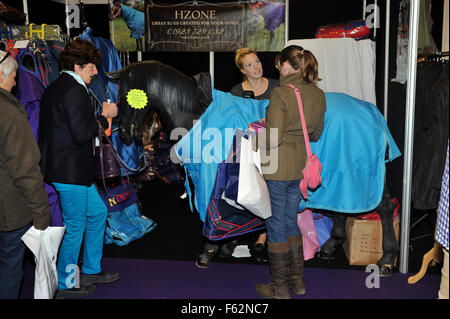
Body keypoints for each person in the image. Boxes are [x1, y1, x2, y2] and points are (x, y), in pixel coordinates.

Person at [38, 39, 119, 299]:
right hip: (70, 171)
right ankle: (66, 284)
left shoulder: (55, 87)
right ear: (77, 66)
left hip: (69, 170)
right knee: (76, 227)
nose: (95, 72)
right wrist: (104, 115)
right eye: (92, 67)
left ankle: (92, 269)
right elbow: (82, 133)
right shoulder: (74, 90)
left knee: (97, 213)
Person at [195, 48, 279, 269]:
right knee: (230, 187)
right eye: (250, 64)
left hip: (271, 147)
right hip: (243, 147)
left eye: (258, 61)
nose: (257, 67)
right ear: (242, 70)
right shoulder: (234, 92)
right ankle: (222, 238)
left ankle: (262, 238)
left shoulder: (277, 87)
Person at [254, 45, 326, 299]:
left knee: (275, 224)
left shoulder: (281, 94)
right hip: (299, 169)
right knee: (289, 221)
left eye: (279, 65)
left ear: (286, 65)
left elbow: (272, 139)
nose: (278, 69)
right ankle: (298, 282)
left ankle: (280, 287)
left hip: (276, 168)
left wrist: (248, 140)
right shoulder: (318, 95)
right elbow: (315, 134)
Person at [0, 50, 50, 299]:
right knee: (10, 268)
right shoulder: (9, 112)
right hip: (9, 211)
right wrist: (42, 213)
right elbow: (25, 169)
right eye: (13, 76)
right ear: (0, 75)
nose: (16, 82)